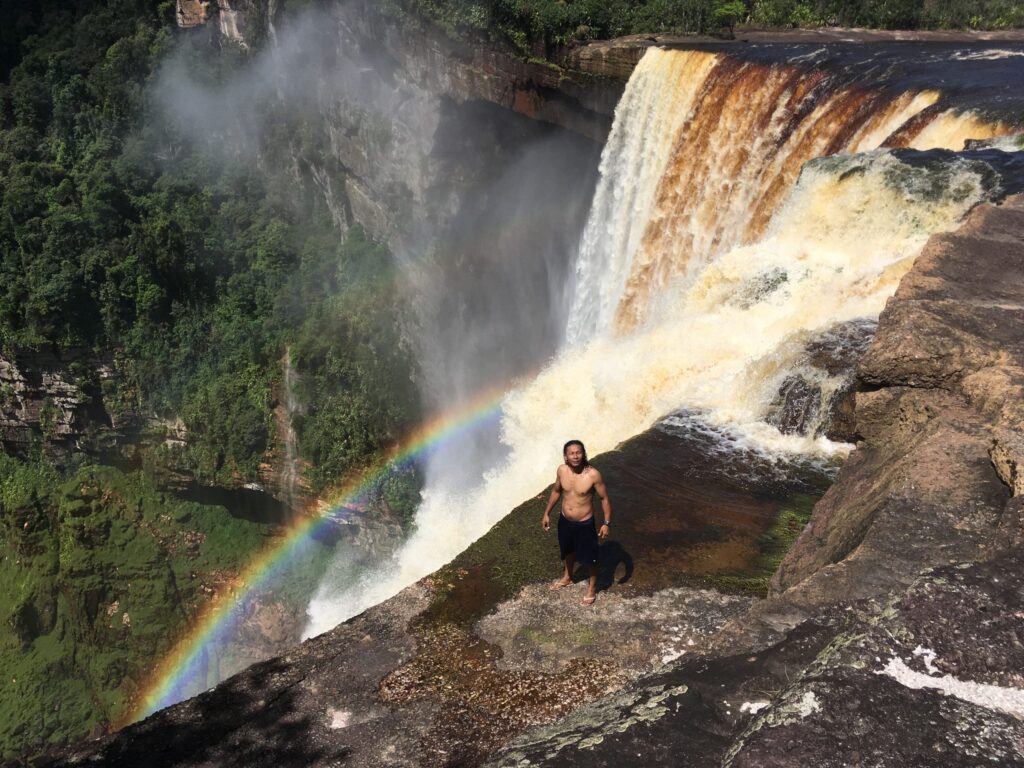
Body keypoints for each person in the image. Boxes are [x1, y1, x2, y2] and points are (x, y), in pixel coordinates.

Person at [540, 439, 612, 606]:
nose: (575, 456)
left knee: (590, 558)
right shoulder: (562, 470)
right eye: (571, 453)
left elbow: (604, 499)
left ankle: (592, 588)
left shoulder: (593, 475)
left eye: (578, 452)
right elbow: (556, 491)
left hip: (584, 523)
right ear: (565, 456)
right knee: (567, 551)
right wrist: (546, 513)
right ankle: (568, 577)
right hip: (565, 520)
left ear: (584, 454)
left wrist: (606, 523)